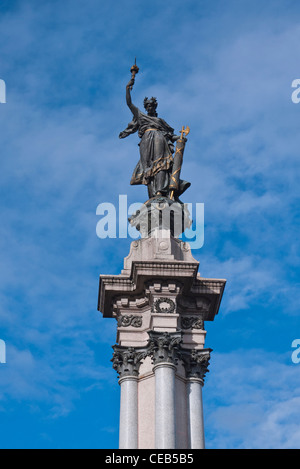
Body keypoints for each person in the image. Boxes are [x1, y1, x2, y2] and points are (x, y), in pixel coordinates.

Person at [119, 77, 190, 199]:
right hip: (146, 141)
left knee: (162, 164)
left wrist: (180, 138)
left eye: (152, 106)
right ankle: (152, 194)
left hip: (160, 139)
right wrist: (127, 88)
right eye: (148, 106)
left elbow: (170, 135)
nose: (150, 108)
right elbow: (129, 104)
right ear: (146, 108)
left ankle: (160, 191)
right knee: (148, 169)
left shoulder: (160, 121)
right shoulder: (141, 117)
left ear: (155, 107)